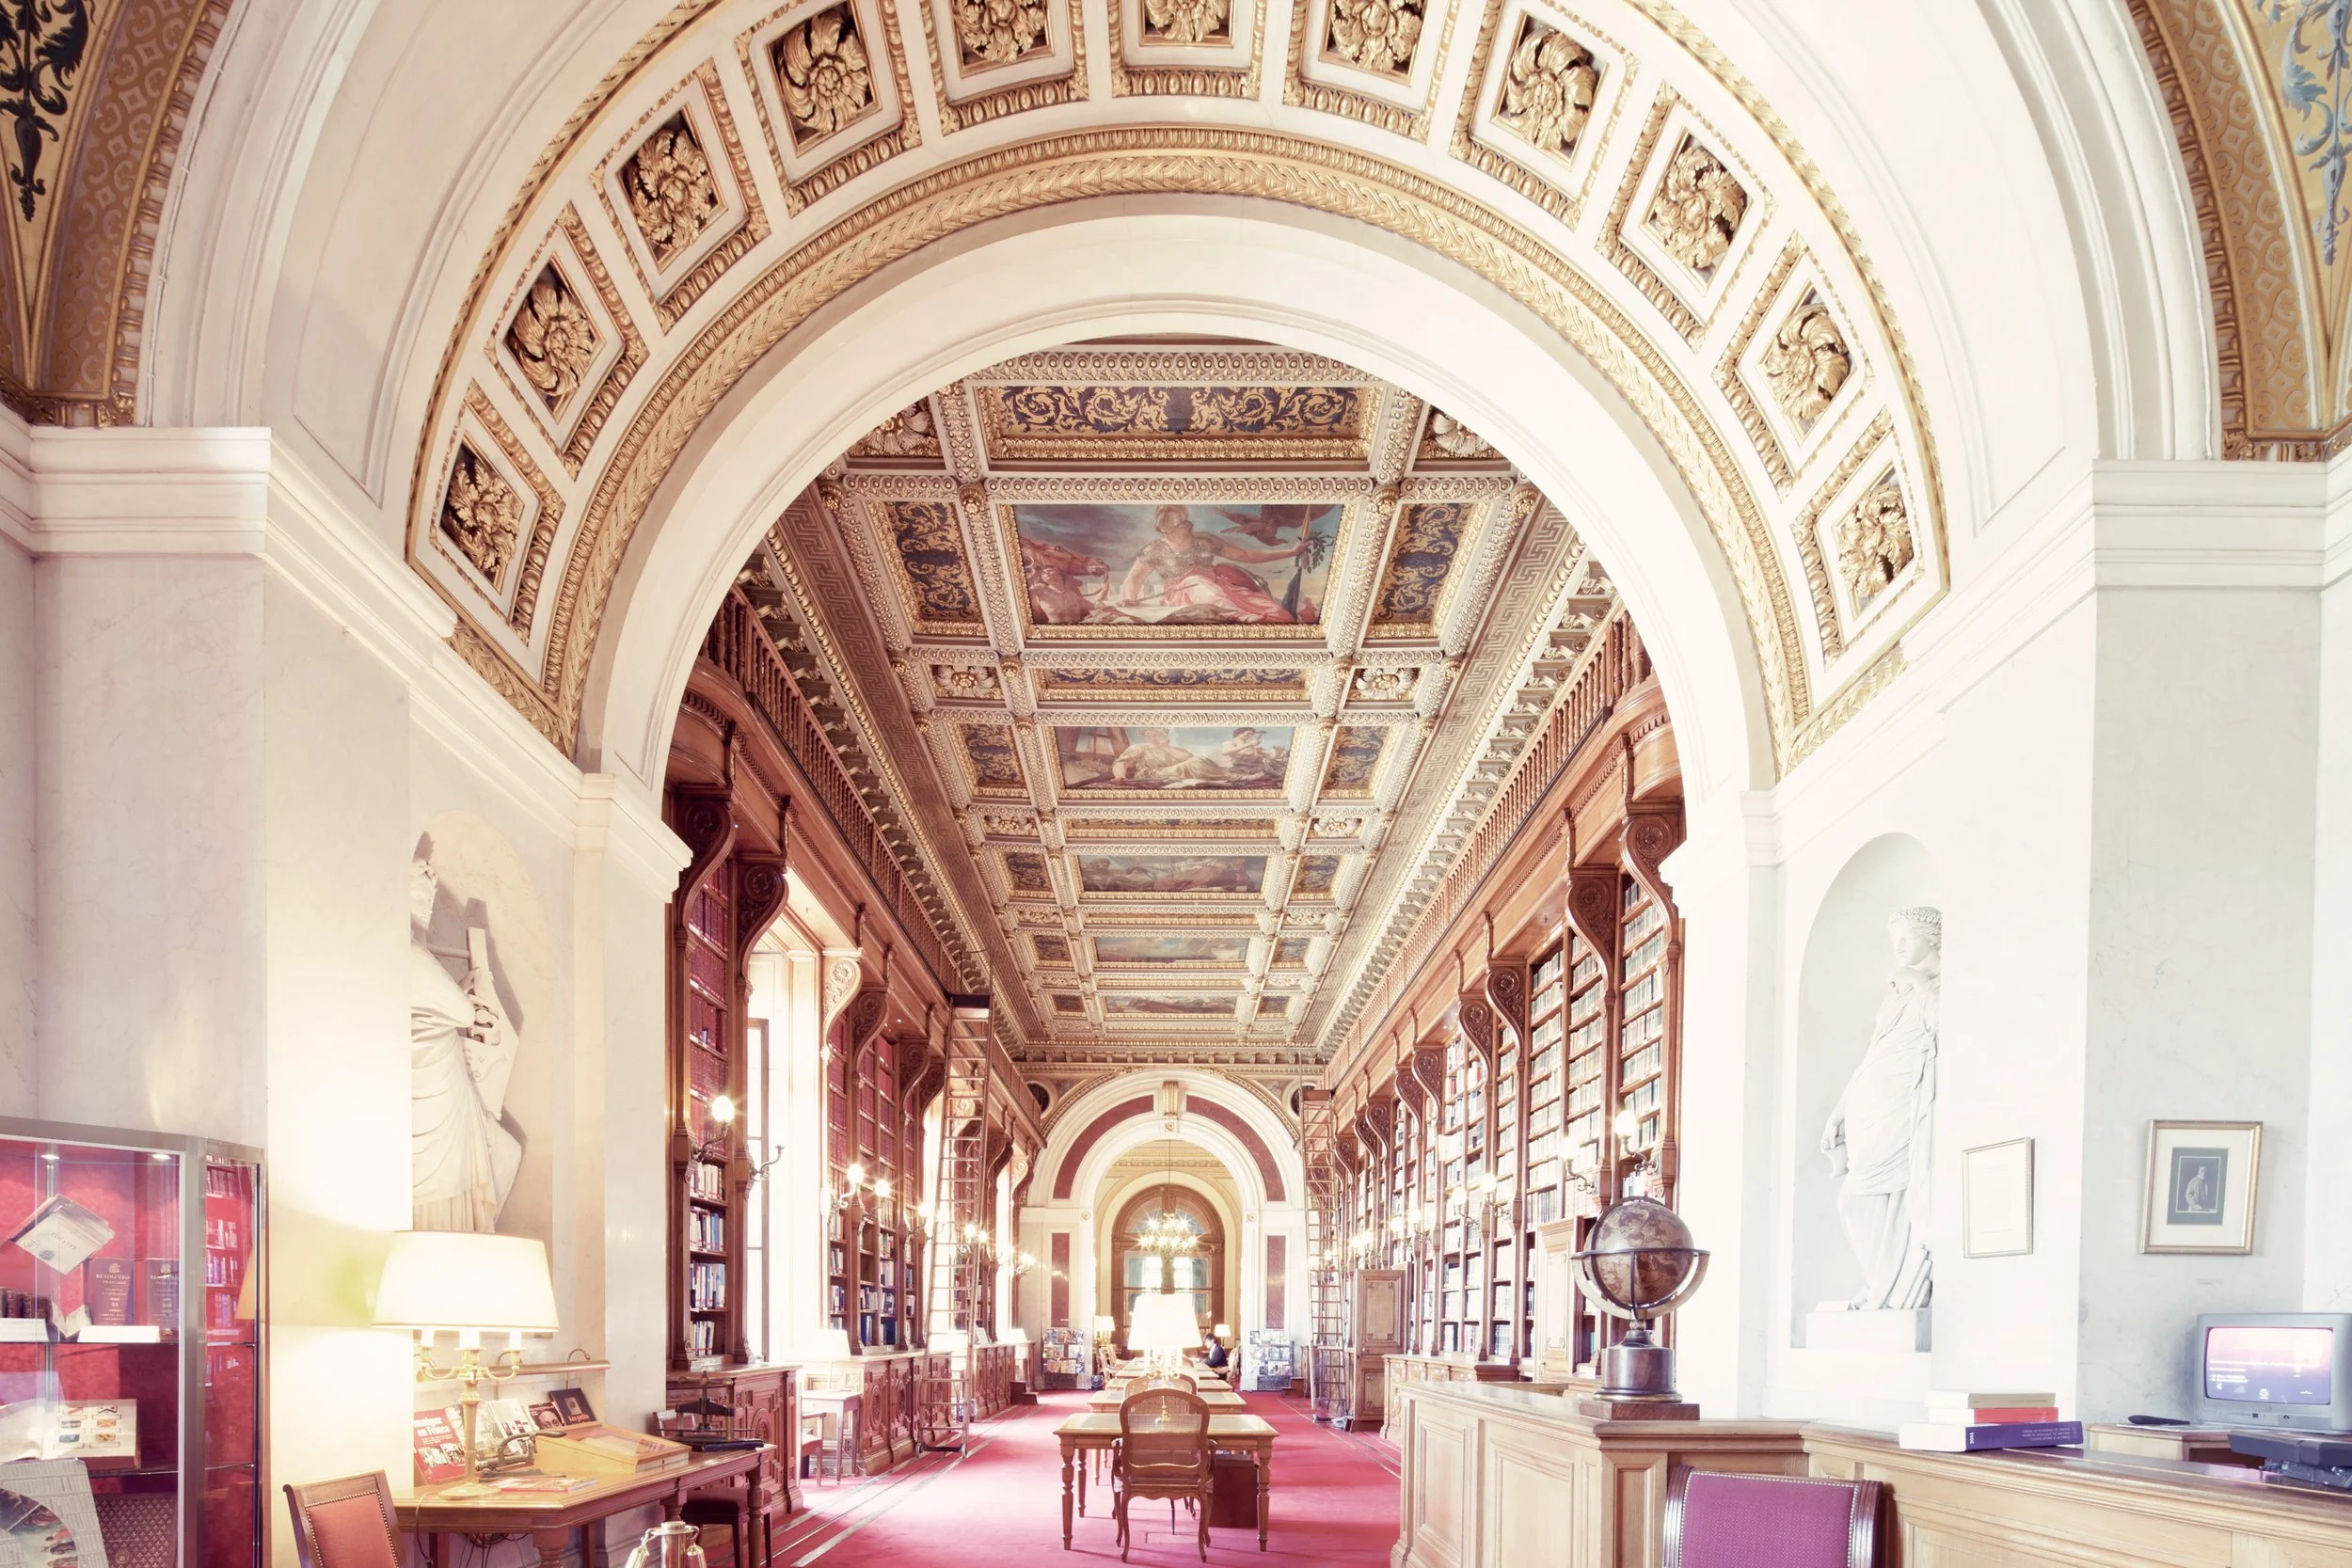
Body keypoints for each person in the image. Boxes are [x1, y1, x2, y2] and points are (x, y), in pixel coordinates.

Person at [1117, 505, 1311, 624]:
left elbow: (1246, 555)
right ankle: (1239, 615)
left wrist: (1290, 552)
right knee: (1197, 581)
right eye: (1164, 531)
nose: (1166, 535)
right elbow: (1134, 578)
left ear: (1187, 525)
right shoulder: (1155, 549)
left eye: (1172, 529)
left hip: (1220, 590)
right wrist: (1129, 600)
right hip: (1182, 596)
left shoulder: (1206, 540)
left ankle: (1241, 610)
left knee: (1278, 614)